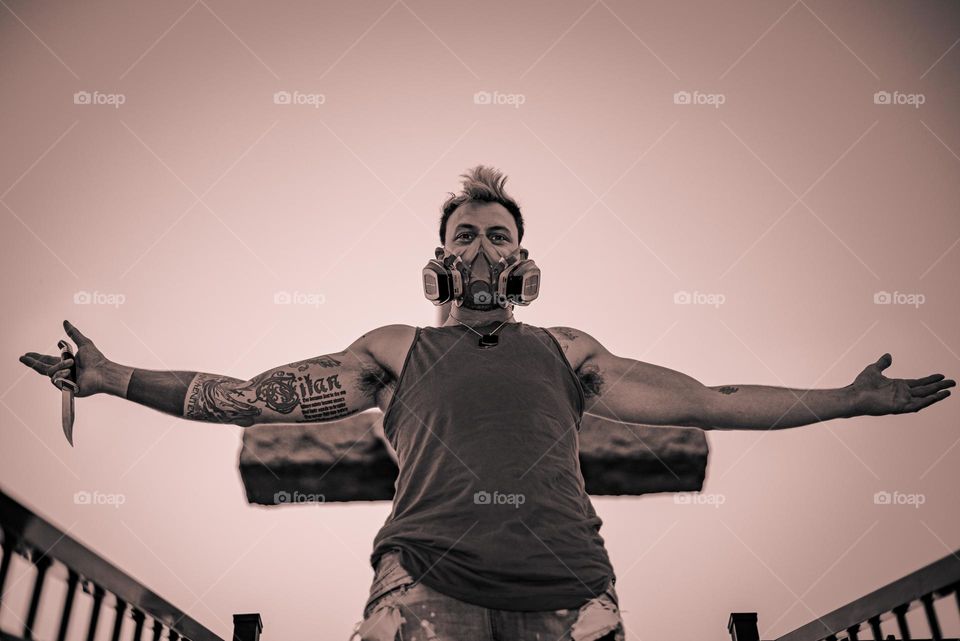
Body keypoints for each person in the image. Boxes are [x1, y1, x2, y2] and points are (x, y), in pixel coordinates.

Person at [19, 165, 955, 641]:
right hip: (424, 586)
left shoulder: (569, 349)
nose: (480, 249)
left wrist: (845, 399)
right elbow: (248, 399)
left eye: (497, 234)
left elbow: (712, 398)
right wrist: (114, 377)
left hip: (572, 592)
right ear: (436, 258)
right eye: (465, 234)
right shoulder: (394, 348)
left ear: (525, 259)